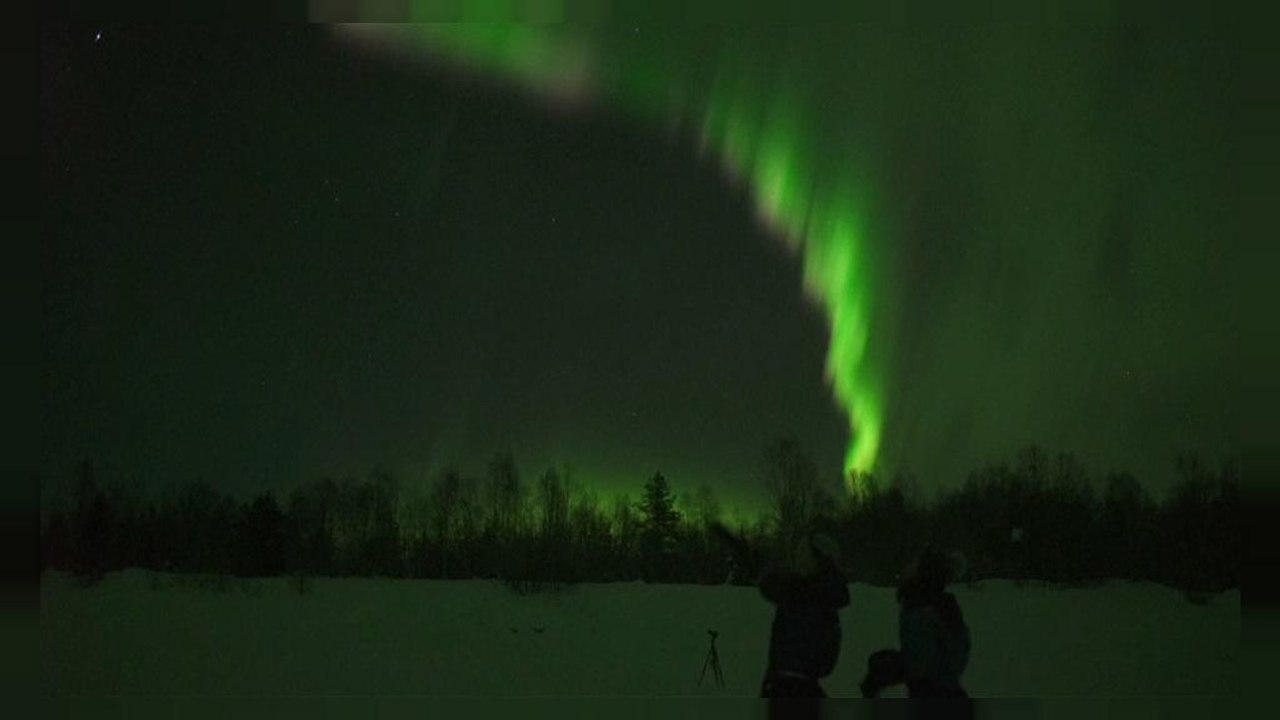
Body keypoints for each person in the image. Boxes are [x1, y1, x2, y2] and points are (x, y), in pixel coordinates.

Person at [860, 546, 971, 699]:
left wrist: (893, 667)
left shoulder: (927, 606)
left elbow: (927, 663)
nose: (908, 567)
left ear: (924, 572)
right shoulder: (923, 602)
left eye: (914, 564)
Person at [755, 531, 850, 698]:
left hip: (791, 688)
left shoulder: (807, 592)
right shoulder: (816, 591)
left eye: (803, 553)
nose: (797, 558)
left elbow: (772, 586)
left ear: (818, 559)